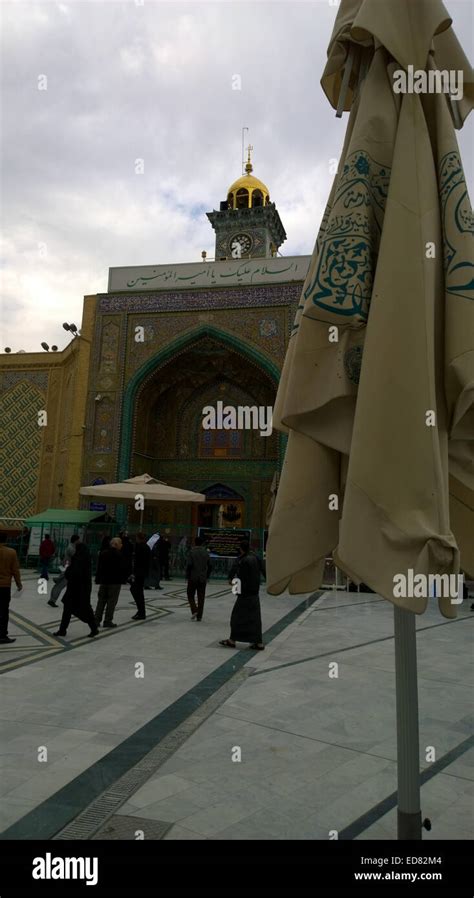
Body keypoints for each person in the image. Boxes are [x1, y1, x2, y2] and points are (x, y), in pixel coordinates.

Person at [220, 541, 265, 650]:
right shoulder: (256, 557)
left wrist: (234, 586)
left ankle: (232, 640)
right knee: (255, 619)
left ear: (241, 549)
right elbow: (264, 570)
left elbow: (239, 577)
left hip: (244, 594)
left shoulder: (242, 560)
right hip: (254, 593)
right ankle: (258, 642)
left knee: (236, 617)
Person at [54, 542, 98, 638]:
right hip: (84, 589)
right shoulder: (87, 559)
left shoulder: (77, 559)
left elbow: (73, 573)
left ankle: (93, 628)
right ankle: (93, 628)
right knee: (80, 609)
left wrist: (67, 572)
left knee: (74, 609)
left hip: (75, 589)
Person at [94, 536, 125, 628]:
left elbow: (99, 567)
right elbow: (122, 569)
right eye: (120, 544)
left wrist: (98, 579)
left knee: (101, 601)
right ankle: (108, 620)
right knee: (111, 602)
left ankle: (96, 620)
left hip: (104, 581)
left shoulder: (103, 553)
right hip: (115, 582)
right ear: (117, 545)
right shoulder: (119, 555)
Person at [0, 531, 23, 644]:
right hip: (4, 586)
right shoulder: (11, 552)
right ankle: (2, 635)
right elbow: (15, 570)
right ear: (6, 540)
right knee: (3, 611)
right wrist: (19, 584)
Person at [48, 534, 80, 607]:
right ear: (76, 540)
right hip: (68, 569)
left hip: (67, 568)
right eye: (78, 540)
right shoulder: (71, 548)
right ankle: (53, 600)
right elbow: (76, 557)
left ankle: (56, 599)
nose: (79, 541)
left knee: (64, 585)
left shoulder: (71, 547)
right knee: (60, 585)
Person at [186, 536, 212, 622]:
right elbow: (210, 565)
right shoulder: (206, 552)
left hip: (193, 577)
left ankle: (194, 610)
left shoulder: (192, 552)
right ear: (202, 543)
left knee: (190, 594)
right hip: (202, 578)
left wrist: (187, 575)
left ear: (195, 542)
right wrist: (207, 575)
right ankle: (199, 616)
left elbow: (189, 565)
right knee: (201, 597)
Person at [130, 532, 151, 620]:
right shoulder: (146, 547)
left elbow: (138, 561)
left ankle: (141, 612)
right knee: (137, 591)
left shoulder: (139, 547)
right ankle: (141, 611)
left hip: (139, 573)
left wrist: (134, 572)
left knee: (136, 591)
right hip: (142, 572)